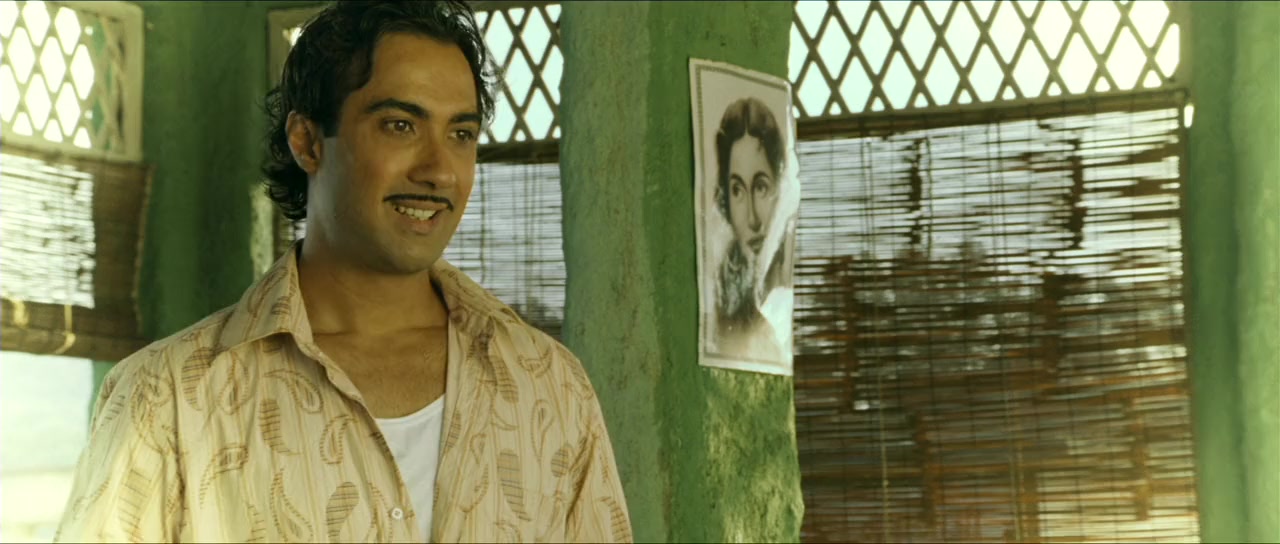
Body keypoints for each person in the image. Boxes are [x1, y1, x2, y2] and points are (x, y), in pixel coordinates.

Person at [54, 1, 632, 542]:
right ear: (308, 142)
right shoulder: (168, 398)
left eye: (461, 134)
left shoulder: (549, 385)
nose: (440, 170)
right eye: (400, 125)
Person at [712, 97, 792, 362]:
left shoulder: (788, 294)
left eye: (760, 187)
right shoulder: (721, 308)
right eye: (737, 190)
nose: (752, 218)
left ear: (779, 188)